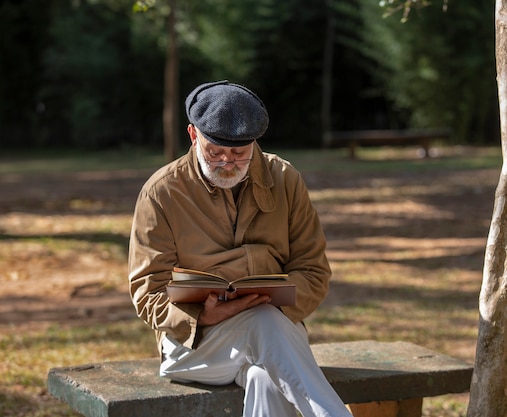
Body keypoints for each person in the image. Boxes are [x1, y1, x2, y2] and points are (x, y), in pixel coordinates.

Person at [128, 81, 352, 417]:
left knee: (265, 377)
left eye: (239, 153)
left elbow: (314, 271)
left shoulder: (285, 179)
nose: (227, 163)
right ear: (192, 135)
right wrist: (202, 315)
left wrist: (264, 302)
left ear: (254, 142)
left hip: (276, 339)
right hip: (195, 348)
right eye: (214, 151)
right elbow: (147, 292)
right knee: (262, 323)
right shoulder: (161, 193)